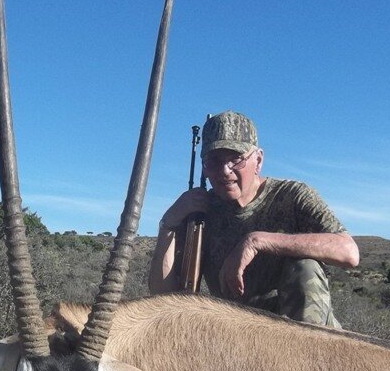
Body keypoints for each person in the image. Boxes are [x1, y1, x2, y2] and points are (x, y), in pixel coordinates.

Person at [149, 111, 359, 327]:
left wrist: (256, 241)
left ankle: (310, 353)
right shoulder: (200, 212)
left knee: (305, 266)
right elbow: (162, 294)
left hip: (297, 331)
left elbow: (349, 252)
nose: (224, 170)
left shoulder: (294, 195)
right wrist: (168, 224)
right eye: (213, 161)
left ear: (258, 160)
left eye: (236, 159)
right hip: (238, 331)